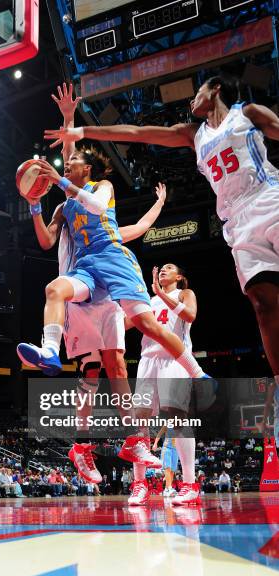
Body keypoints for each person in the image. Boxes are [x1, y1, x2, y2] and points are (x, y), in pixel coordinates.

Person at [45, 74, 279, 389]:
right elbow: (137, 133)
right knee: (263, 304)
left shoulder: (246, 112)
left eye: (199, 91)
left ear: (217, 89)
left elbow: (132, 220)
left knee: (123, 354)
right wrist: (78, 127)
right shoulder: (192, 134)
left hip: (269, 198)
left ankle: (194, 376)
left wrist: (76, 127)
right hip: (236, 221)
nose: (192, 98)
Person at [23, 84, 166, 481]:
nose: (66, 166)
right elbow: (47, 238)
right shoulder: (67, 205)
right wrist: (35, 205)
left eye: (73, 165)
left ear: (88, 170)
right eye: (66, 166)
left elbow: (133, 227)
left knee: (115, 365)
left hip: (106, 286)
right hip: (80, 285)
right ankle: (82, 443)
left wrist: (158, 206)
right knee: (88, 372)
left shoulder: (101, 208)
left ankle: (130, 440)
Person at [126, 263, 201, 506]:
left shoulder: (184, 294)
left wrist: (161, 295)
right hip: (148, 359)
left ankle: (190, 484)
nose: (163, 270)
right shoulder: (148, 299)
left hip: (174, 359)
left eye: (169, 268)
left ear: (180, 276)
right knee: (139, 421)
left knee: (177, 420)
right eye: (161, 268)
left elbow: (190, 315)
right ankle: (139, 485)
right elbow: (126, 323)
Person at [153, 425, 178, 498]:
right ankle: (169, 488)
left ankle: (167, 489)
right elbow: (159, 434)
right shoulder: (167, 424)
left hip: (175, 450)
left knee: (172, 470)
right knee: (168, 468)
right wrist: (155, 444)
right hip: (167, 448)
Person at [262, 381, 279, 446]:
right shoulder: (273, 386)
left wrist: (264, 422)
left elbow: (268, 404)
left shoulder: (273, 386)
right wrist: (264, 422)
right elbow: (268, 404)